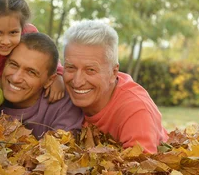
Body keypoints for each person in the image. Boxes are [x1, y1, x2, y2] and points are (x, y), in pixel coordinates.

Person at [62, 20, 168, 153]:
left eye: (90, 70)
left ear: (113, 73)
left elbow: (140, 171)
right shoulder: (57, 89)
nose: (77, 82)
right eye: (71, 68)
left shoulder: (136, 111)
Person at [0, 0, 65, 103]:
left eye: (13, 33)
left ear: (22, 28)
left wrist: (59, 75)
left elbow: (47, 54)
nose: (6, 41)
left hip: (17, 78)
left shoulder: (29, 32)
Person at [0, 33, 83, 138]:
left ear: (49, 81)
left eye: (31, 72)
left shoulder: (63, 106)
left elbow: (60, 150)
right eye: (13, 64)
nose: (15, 78)